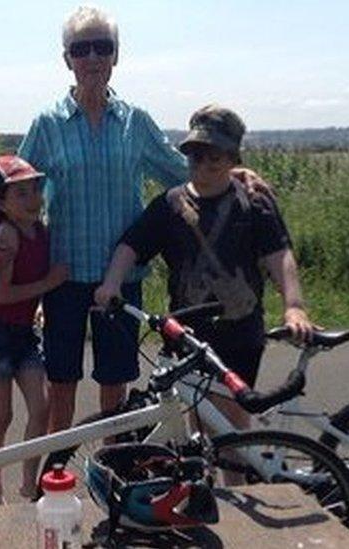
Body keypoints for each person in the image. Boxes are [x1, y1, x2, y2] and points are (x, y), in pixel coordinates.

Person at [0, 6, 275, 433]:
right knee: (61, 384)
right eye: (81, 49)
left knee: (114, 384)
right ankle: (54, 481)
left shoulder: (134, 122)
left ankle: (112, 474)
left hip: (121, 278)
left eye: (103, 47)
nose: (93, 58)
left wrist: (232, 173)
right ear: (66, 59)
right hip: (63, 276)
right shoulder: (47, 123)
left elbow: (180, 170)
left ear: (116, 56)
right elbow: (13, 191)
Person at [93, 105, 315, 433]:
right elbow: (131, 246)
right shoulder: (169, 205)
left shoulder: (253, 203)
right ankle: (212, 483)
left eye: (215, 157)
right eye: (196, 156)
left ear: (232, 159)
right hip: (187, 334)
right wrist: (111, 283)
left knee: (233, 420)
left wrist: (294, 307)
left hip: (240, 330)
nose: (205, 165)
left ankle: (238, 481)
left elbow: (279, 255)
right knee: (200, 420)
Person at [0, 154, 68, 504]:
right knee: (2, 414)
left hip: (23, 332)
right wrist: (49, 284)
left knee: (41, 409)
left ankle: (29, 482)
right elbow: (2, 294)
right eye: (20, 194)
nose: (32, 200)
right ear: (1, 202)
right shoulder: (7, 234)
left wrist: (39, 302)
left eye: (33, 191)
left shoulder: (39, 230)